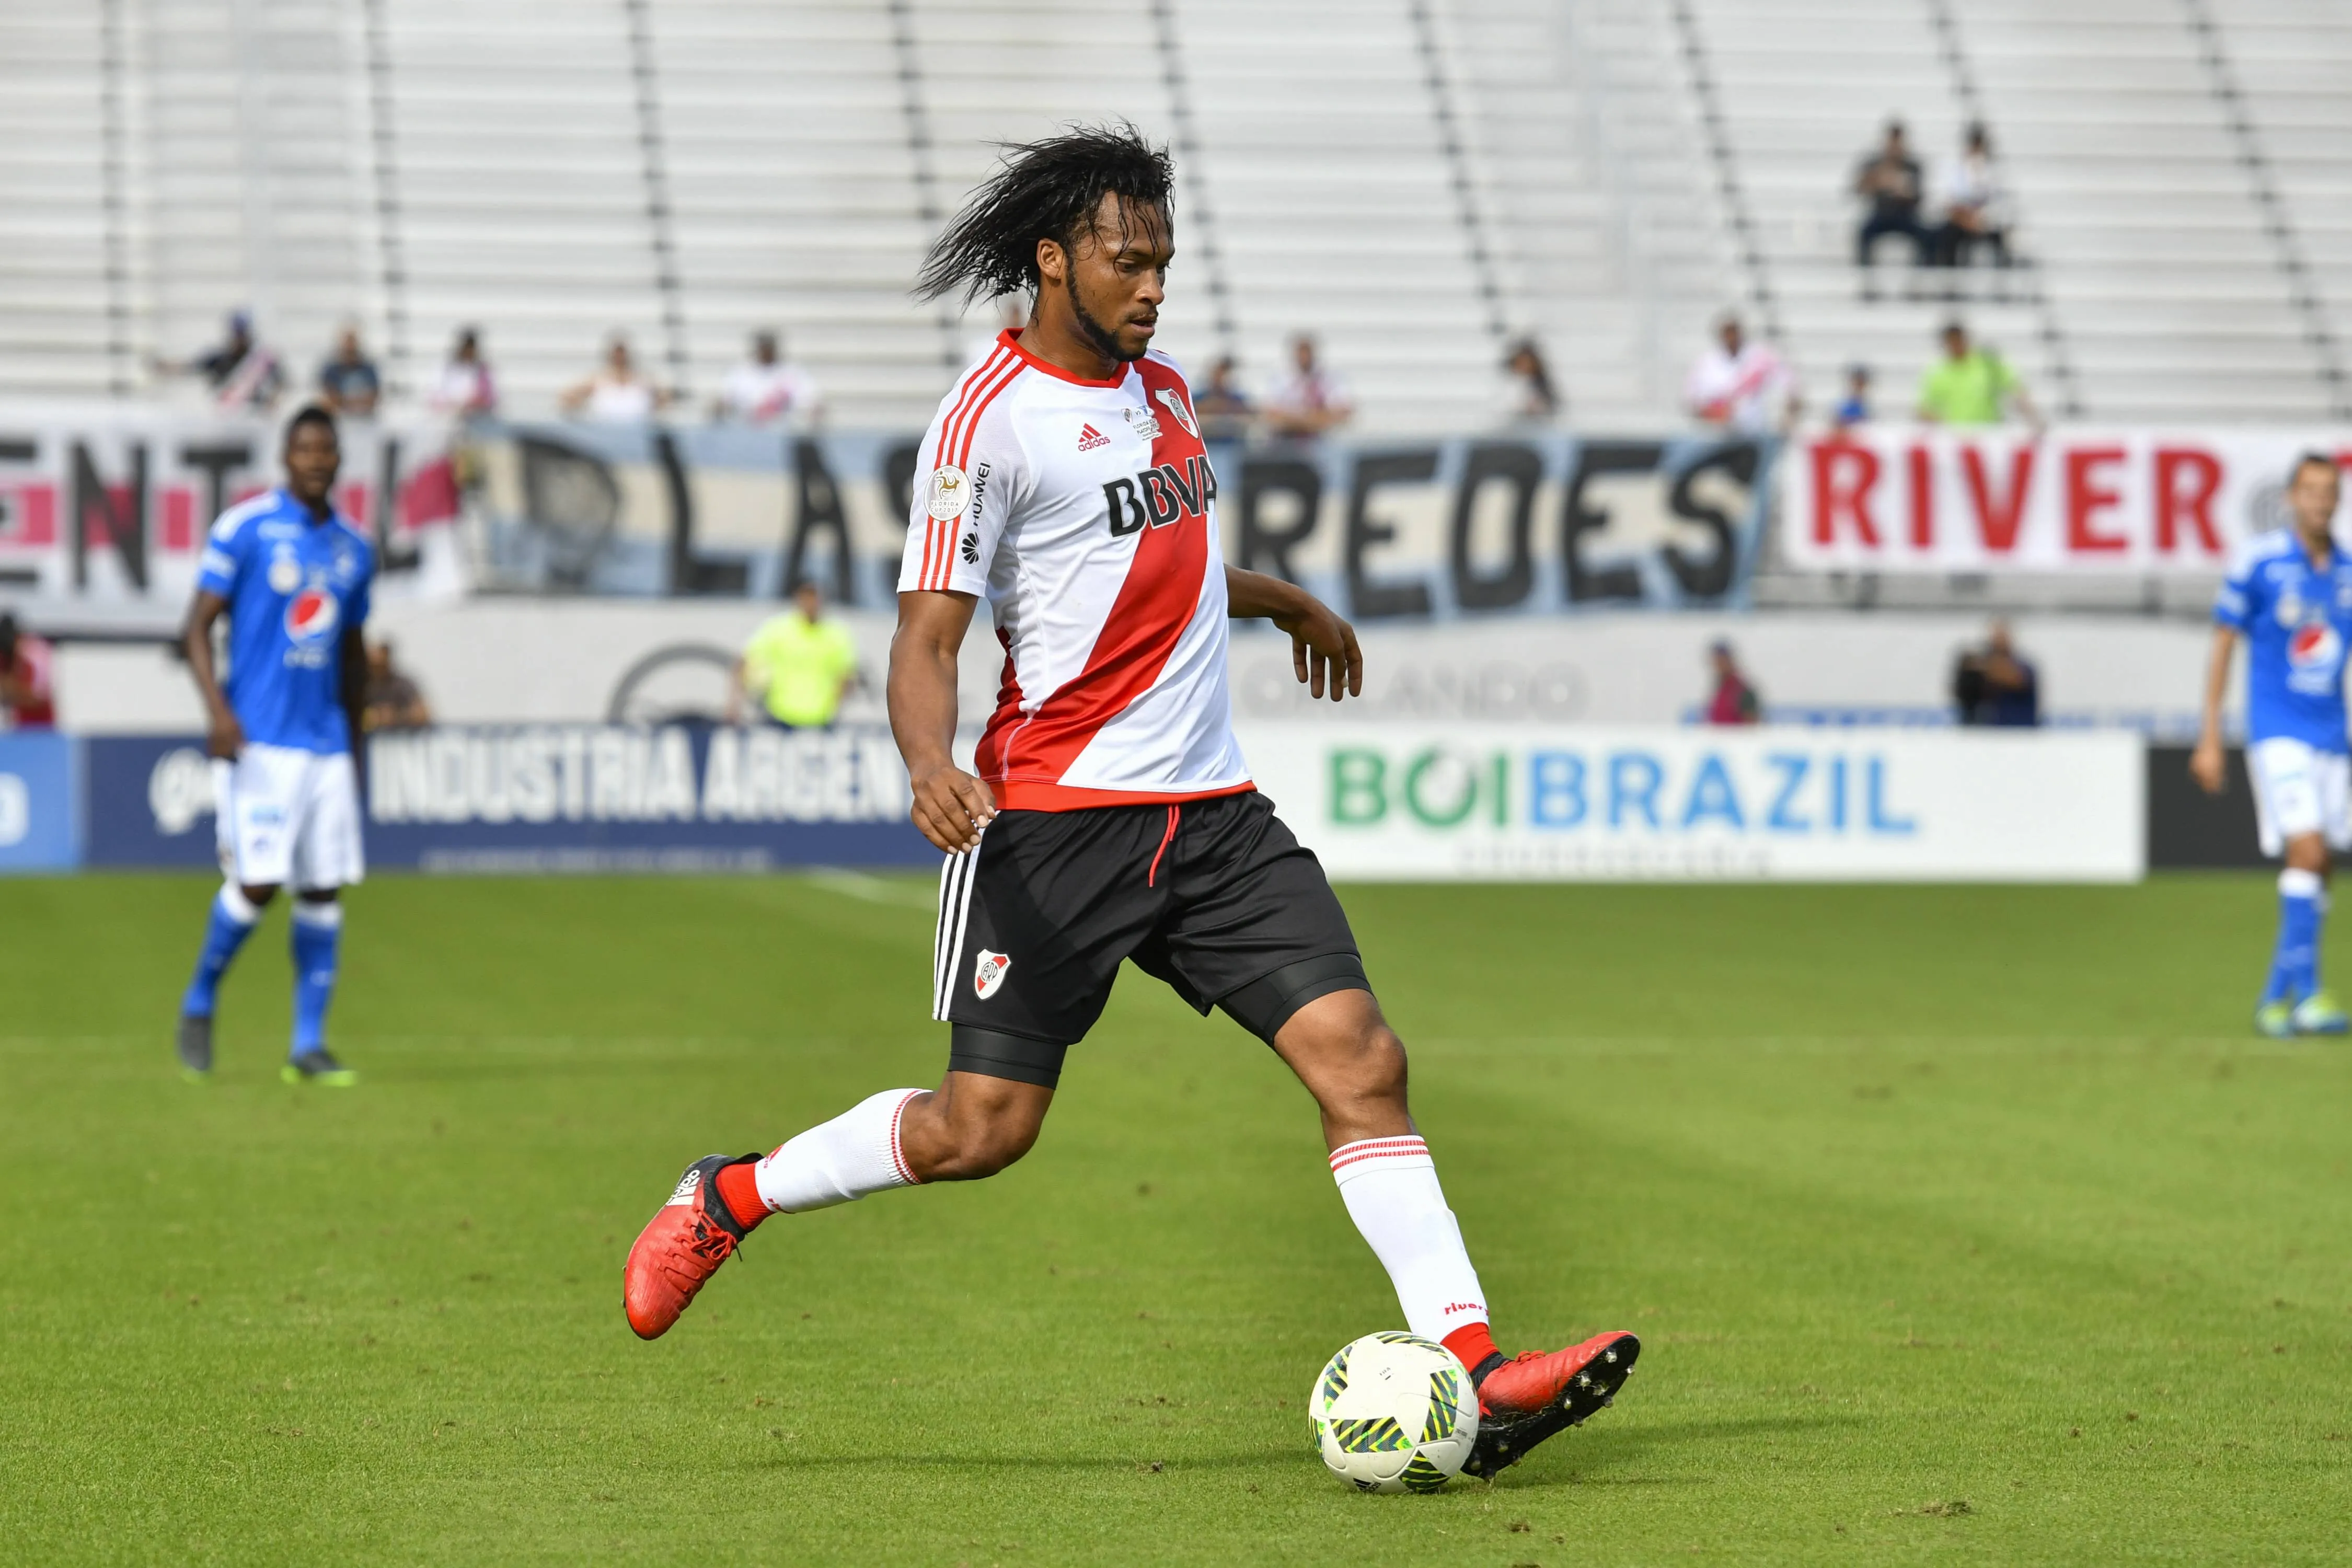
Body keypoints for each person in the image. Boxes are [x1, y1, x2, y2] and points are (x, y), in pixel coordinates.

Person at [619, 124, 1638, 1480]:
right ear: (1053, 259)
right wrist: (930, 761)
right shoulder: (986, 422)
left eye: (1164, 261)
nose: (1153, 287)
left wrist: (1279, 599)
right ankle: (730, 1195)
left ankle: (1469, 1368)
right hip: (1052, 827)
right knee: (981, 1130)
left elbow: (1160, 561)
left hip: (1212, 819)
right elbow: (928, 638)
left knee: (1363, 1061)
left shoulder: (1164, 391)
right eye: (1127, 261)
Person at [174, 405, 374, 1085]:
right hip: (260, 741)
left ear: (339, 460)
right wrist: (219, 712)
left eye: (327, 449)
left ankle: (307, 1047)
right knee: (257, 883)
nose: (317, 459)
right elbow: (195, 628)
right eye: (305, 449)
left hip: (327, 745)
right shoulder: (247, 528)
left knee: (322, 890)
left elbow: (350, 653)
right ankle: (200, 998)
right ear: (286, 459)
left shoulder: (353, 549)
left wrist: (356, 736)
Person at [2194, 453, 2352, 1038]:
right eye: (2309, 490)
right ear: (2290, 497)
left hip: (2333, 738)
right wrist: (2210, 736)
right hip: (2277, 733)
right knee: (2307, 852)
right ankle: (2307, 995)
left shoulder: (2346, 572)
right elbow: (2223, 643)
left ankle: (2274, 998)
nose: (2320, 499)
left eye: (2329, 490)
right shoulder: (2259, 563)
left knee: (2320, 864)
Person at [727, 579, 858, 728]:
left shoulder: (837, 635)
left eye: (814, 597)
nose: (811, 603)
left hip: (821, 720)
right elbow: (743, 662)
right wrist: (735, 704)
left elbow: (846, 676)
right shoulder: (778, 629)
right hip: (779, 716)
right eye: (807, 597)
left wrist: (835, 705)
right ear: (798, 599)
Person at [1684, 314, 1797, 435]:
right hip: (1716, 436)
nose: (1731, 338)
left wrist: (1788, 418)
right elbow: (1691, 401)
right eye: (1728, 333)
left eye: (1734, 333)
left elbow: (1790, 385)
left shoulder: (1760, 357)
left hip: (1754, 434)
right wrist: (1713, 414)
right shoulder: (1706, 362)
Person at [155, 309, 284, 412]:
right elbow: (191, 366)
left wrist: (273, 400)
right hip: (225, 417)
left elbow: (281, 382)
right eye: (237, 334)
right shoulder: (220, 358)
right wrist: (165, 367)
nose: (239, 339)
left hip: (254, 415)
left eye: (242, 335)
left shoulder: (261, 360)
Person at [1917, 321, 2038, 428]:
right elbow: (1925, 410)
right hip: (1956, 438)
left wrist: (2032, 417)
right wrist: (1944, 427)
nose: (1956, 346)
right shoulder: (1937, 373)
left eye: (1958, 341)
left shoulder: (1988, 364)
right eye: (1952, 342)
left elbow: (2016, 389)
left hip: (1988, 434)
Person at [1934, 124, 2011, 271]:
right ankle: (1950, 284)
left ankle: (2000, 280)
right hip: (1959, 222)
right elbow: (1947, 201)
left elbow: (1998, 202)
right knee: (1945, 238)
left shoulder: (1991, 169)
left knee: (2001, 239)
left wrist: (1980, 219)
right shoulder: (1954, 167)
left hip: (1982, 221)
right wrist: (1966, 219)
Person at [713, 330, 823, 426]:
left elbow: (809, 399)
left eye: (768, 347)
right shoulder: (740, 373)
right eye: (763, 347)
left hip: (783, 431)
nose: (766, 351)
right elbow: (724, 400)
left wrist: (812, 413)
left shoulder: (791, 372)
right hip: (746, 430)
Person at [1263, 333, 1354, 438]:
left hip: (1323, 438)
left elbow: (1343, 411)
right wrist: (1309, 420)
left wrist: (1304, 419)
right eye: (1301, 353)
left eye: (1307, 353)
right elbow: (1271, 413)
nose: (1304, 358)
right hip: (1287, 439)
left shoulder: (1328, 377)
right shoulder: (1280, 378)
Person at [561, 335, 666, 423]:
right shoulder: (598, 379)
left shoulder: (642, 379)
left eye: (622, 355)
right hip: (605, 430)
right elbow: (568, 397)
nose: (620, 358)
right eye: (617, 355)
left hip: (638, 430)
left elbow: (664, 397)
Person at [1952, 620, 2038, 725]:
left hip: (2021, 733)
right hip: (1992, 732)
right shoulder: (1983, 669)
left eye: (2002, 638)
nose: (1998, 642)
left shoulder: (2024, 666)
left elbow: (2015, 679)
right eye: (1996, 638)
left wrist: (1983, 665)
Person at [426, 326, 498, 420]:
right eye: (467, 348)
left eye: (471, 349)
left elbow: (491, 399)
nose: (469, 352)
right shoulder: (446, 368)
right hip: (448, 418)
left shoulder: (482, 370)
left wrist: (475, 404)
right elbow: (435, 395)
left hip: (476, 419)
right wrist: (454, 405)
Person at [0, 612, 56, 729]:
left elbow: (38, 697)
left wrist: (12, 690)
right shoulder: (7, 656)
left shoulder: (35, 653)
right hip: (20, 724)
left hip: (41, 724)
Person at [361, 640, 432, 732]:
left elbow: (423, 714)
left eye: (381, 664)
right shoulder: (363, 687)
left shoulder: (402, 684)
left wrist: (394, 717)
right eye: (374, 665)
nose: (377, 669)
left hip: (401, 740)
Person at [317, 326, 381, 418]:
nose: (350, 347)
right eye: (347, 345)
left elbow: (374, 396)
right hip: (338, 417)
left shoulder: (368, 368)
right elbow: (329, 397)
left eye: (352, 343)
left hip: (366, 418)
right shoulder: (331, 369)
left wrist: (348, 402)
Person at [1497, 337, 1559, 425]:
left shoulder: (1540, 384)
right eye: (1522, 361)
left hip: (1536, 427)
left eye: (1528, 362)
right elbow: (1504, 407)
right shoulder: (1509, 382)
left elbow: (1550, 407)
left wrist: (1538, 407)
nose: (1525, 365)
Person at [1194, 355, 1253, 441]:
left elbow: (1249, 419)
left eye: (1225, 373)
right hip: (1205, 444)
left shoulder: (1237, 400)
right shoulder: (1198, 398)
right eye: (1219, 372)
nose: (1222, 377)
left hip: (1231, 445)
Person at [1704, 641, 1760, 725]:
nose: (1719, 665)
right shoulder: (1719, 690)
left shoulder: (1743, 692)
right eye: (1717, 661)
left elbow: (1752, 727)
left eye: (1722, 661)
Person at [1832, 364, 1872, 429]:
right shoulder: (1842, 404)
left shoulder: (1867, 404)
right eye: (1858, 383)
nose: (1859, 387)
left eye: (1861, 384)